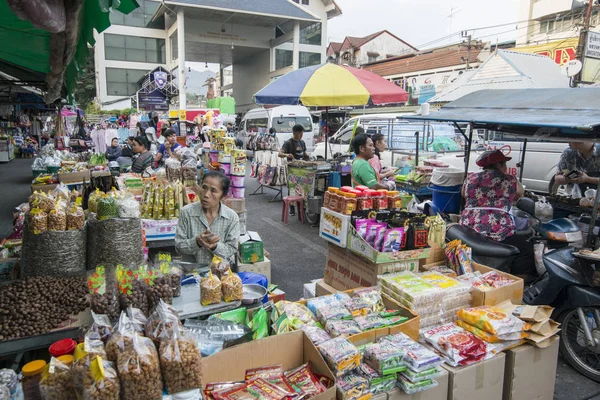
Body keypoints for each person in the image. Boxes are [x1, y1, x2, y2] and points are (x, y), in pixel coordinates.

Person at [460, 150, 535, 278]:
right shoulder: (509, 179)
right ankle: (521, 280)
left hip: (469, 227)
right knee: (525, 247)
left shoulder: (471, 178)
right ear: (499, 165)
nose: (506, 167)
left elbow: (463, 194)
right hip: (497, 227)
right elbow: (520, 192)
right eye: (504, 164)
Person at [175, 171, 240, 264]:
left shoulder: (231, 217)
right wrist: (197, 242)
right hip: (191, 273)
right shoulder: (186, 212)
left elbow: (232, 248)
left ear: (223, 196)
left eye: (213, 191)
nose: (206, 194)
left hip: (219, 273)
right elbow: (179, 246)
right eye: (204, 188)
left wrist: (215, 246)